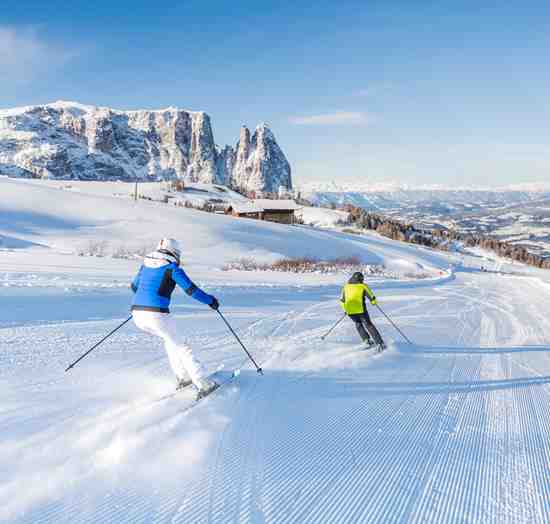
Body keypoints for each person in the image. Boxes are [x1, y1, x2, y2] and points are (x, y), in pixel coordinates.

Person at [130, 238, 220, 397]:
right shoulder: (171, 268)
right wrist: (211, 301)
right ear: (175, 253)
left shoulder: (145, 265)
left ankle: (183, 377)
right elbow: (191, 290)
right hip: (156, 315)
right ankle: (202, 383)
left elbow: (134, 286)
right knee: (182, 346)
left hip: (137, 314)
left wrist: (145, 300)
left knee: (171, 340)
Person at [340, 271, 386, 351]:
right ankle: (380, 343)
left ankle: (366, 340)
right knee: (368, 325)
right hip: (360, 310)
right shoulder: (363, 286)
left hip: (349, 310)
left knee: (358, 324)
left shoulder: (345, 287)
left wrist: (345, 310)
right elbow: (371, 297)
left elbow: (342, 300)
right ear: (361, 279)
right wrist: (373, 302)